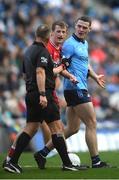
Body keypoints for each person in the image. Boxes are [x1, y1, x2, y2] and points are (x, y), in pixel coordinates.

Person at [33, 16, 111, 169]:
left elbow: (84, 62)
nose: (81, 29)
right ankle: (96, 161)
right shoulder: (69, 44)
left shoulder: (84, 43)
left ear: (89, 29)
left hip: (79, 87)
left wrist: (94, 76)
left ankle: (42, 153)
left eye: (84, 27)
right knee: (92, 123)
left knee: (72, 128)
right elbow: (62, 65)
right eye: (79, 26)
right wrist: (68, 77)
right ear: (75, 26)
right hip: (75, 88)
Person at [3, 24, 80, 173]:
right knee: (57, 128)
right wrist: (43, 94)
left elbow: (25, 75)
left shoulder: (28, 51)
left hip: (30, 93)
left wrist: (61, 69)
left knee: (31, 128)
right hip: (43, 94)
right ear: (48, 36)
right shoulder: (43, 51)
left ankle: (11, 161)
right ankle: (67, 163)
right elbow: (40, 72)